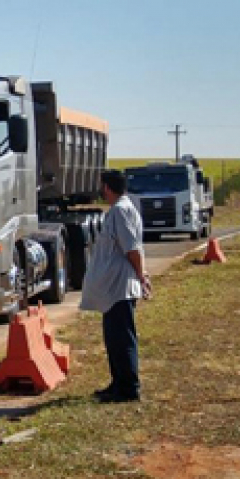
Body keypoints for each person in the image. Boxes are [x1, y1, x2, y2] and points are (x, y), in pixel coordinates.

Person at [80, 169, 152, 403]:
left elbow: (132, 248)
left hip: (120, 287)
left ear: (107, 188)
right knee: (113, 340)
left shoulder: (122, 211)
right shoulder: (118, 210)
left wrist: (142, 276)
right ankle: (117, 383)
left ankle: (129, 388)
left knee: (123, 340)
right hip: (112, 290)